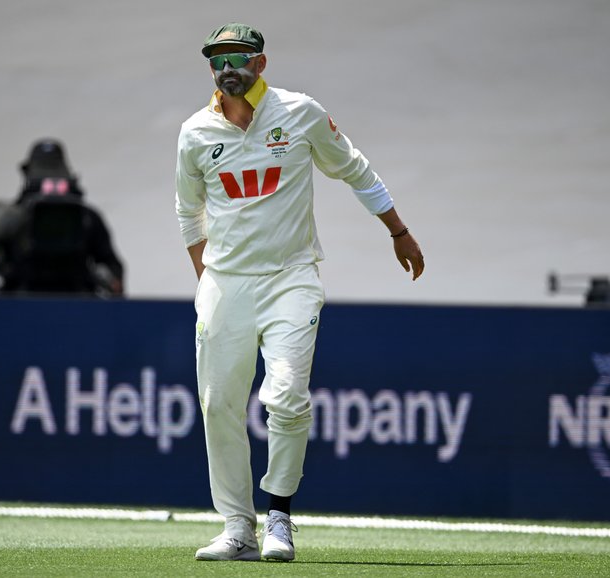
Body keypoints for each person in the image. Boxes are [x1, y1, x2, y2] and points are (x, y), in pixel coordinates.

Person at [175, 23, 425, 562]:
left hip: (292, 278)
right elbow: (188, 212)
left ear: (261, 64)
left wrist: (398, 232)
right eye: (217, 61)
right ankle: (238, 528)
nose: (227, 70)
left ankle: (279, 517)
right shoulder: (195, 132)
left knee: (286, 397)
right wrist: (209, 284)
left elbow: (355, 169)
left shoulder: (299, 113)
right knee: (219, 403)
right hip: (226, 285)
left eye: (238, 59)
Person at [0, 138, 125, 296]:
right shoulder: (12, 218)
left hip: (75, 300)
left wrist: (111, 281)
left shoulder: (85, 218)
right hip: (19, 301)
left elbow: (110, 263)